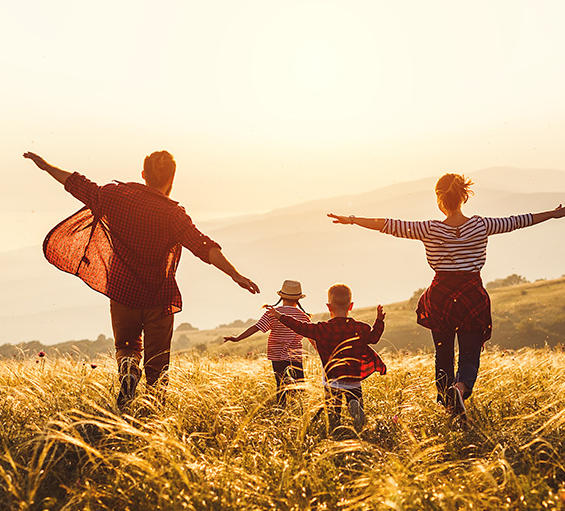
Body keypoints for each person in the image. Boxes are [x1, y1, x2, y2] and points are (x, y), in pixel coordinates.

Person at [328, 174, 565, 423]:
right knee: (469, 354)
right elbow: (518, 221)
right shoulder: (481, 225)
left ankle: (449, 407)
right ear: (463, 197)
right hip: (472, 295)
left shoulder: (429, 228)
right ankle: (459, 389)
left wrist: (352, 220)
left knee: (443, 354)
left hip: (441, 298)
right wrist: (551, 214)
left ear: (439, 199)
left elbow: (388, 224)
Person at [23, 150, 260, 407]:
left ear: (144, 175)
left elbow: (78, 184)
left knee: (127, 347)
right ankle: (154, 413)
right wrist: (235, 274)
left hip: (123, 291)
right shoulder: (173, 214)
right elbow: (203, 246)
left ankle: (128, 374)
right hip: (159, 296)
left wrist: (46, 166)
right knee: (158, 362)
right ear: (171, 179)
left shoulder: (114, 196)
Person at [276, 284, 386, 428]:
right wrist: (379, 321)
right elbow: (374, 338)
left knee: (333, 412)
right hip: (354, 379)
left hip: (332, 380)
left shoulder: (322, 329)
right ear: (351, 306)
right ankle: (356, 415)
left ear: (328, 307)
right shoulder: (360, 328)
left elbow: (300, 327)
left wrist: (280, 317)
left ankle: (335, 425)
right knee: (356, 403)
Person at [223, 280, 311, 405]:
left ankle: (281, 409)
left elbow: (256, 327)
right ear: (298, 299)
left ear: (281, 296)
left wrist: (237, 338)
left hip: (276, 356)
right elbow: (312, 335)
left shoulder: (272, 313)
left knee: (280, 385)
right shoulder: (303, 316)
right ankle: (297, 410)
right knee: (299, 386)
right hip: (295, 356)